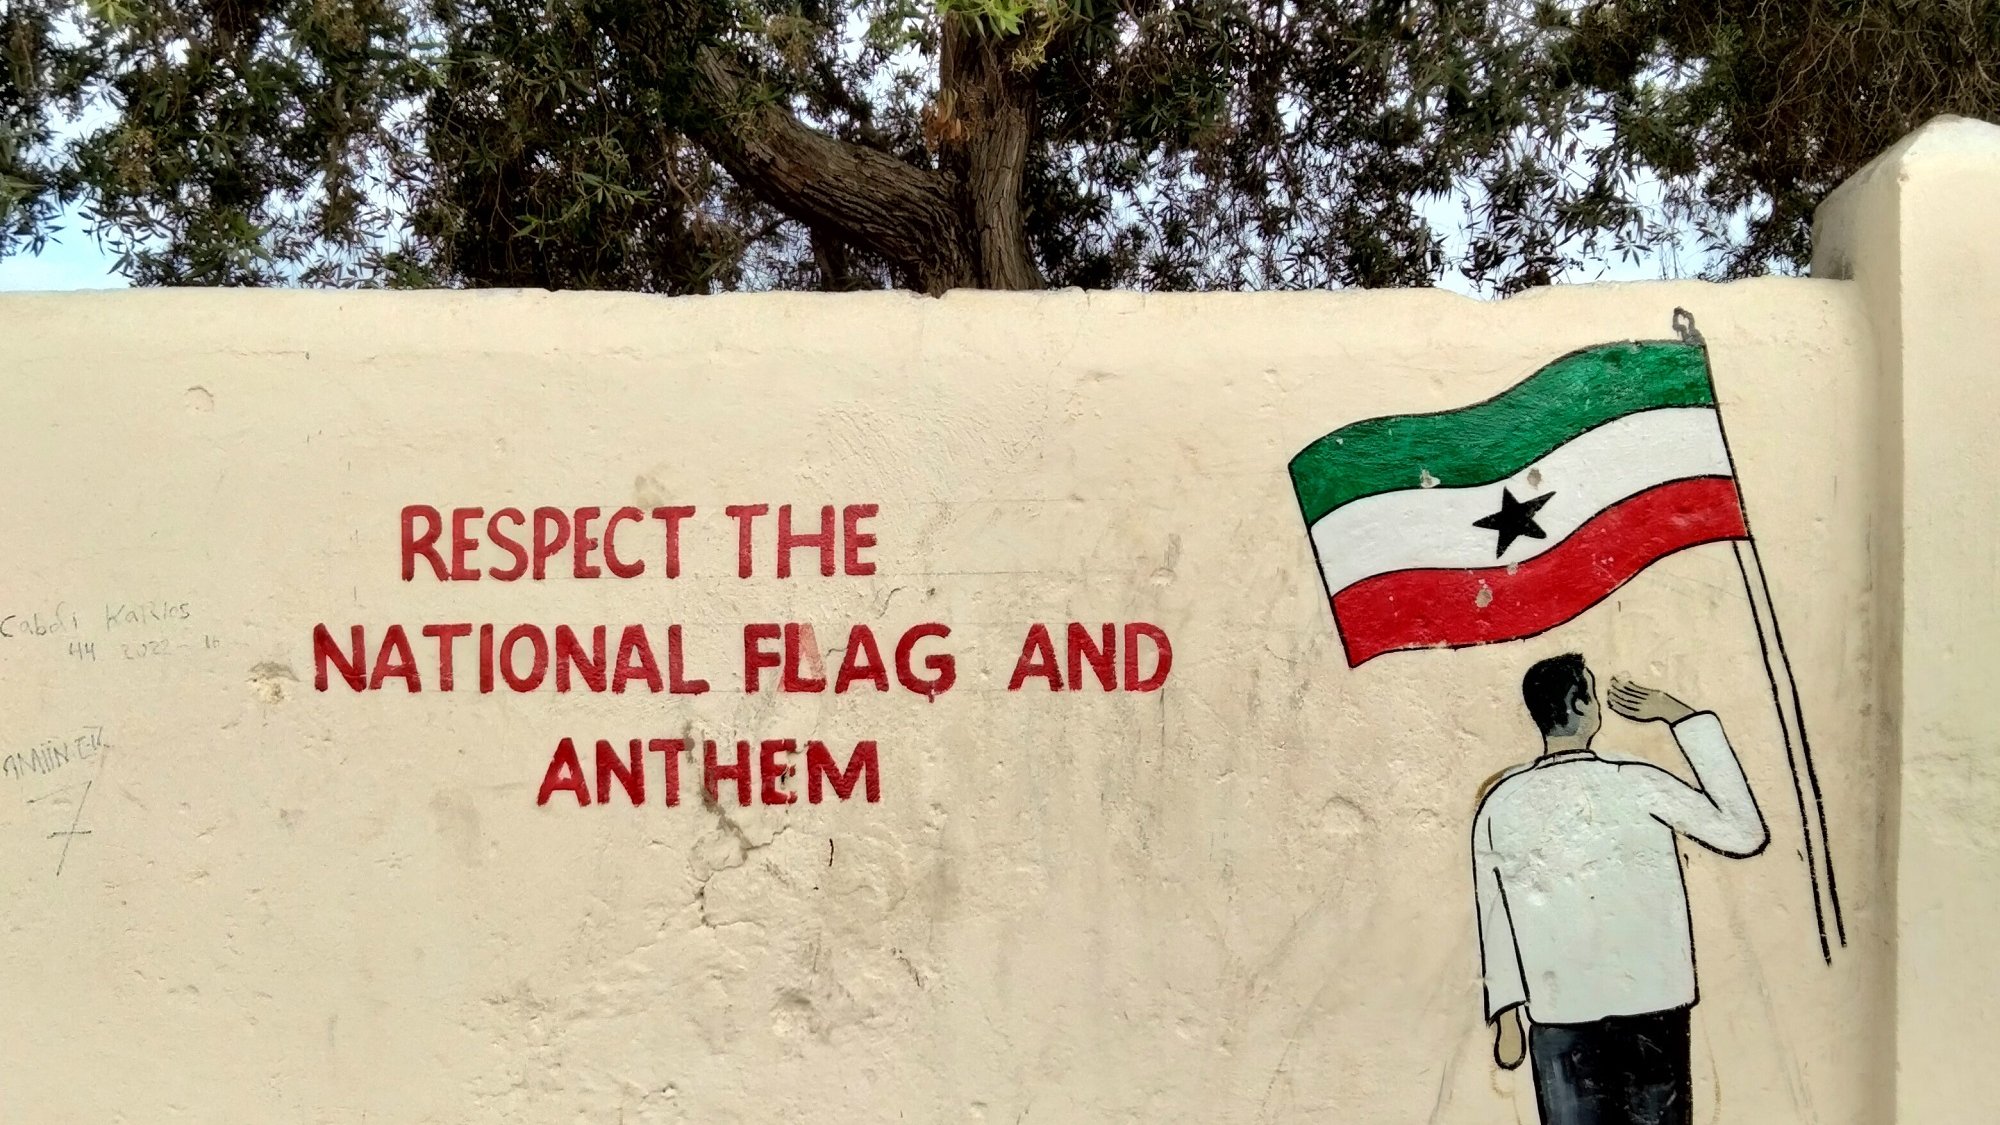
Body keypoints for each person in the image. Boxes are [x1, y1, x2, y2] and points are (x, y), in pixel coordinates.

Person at [1472, 654, 1768, 1125]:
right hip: (1651, 1005)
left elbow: (1495, 912)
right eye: (1591, 692)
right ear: (1580, 704)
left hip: (1562, 1012)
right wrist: (1678, 716)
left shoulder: (1501, 803)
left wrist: (1507, 1012)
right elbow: (1743, 832)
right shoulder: (1635, 782)